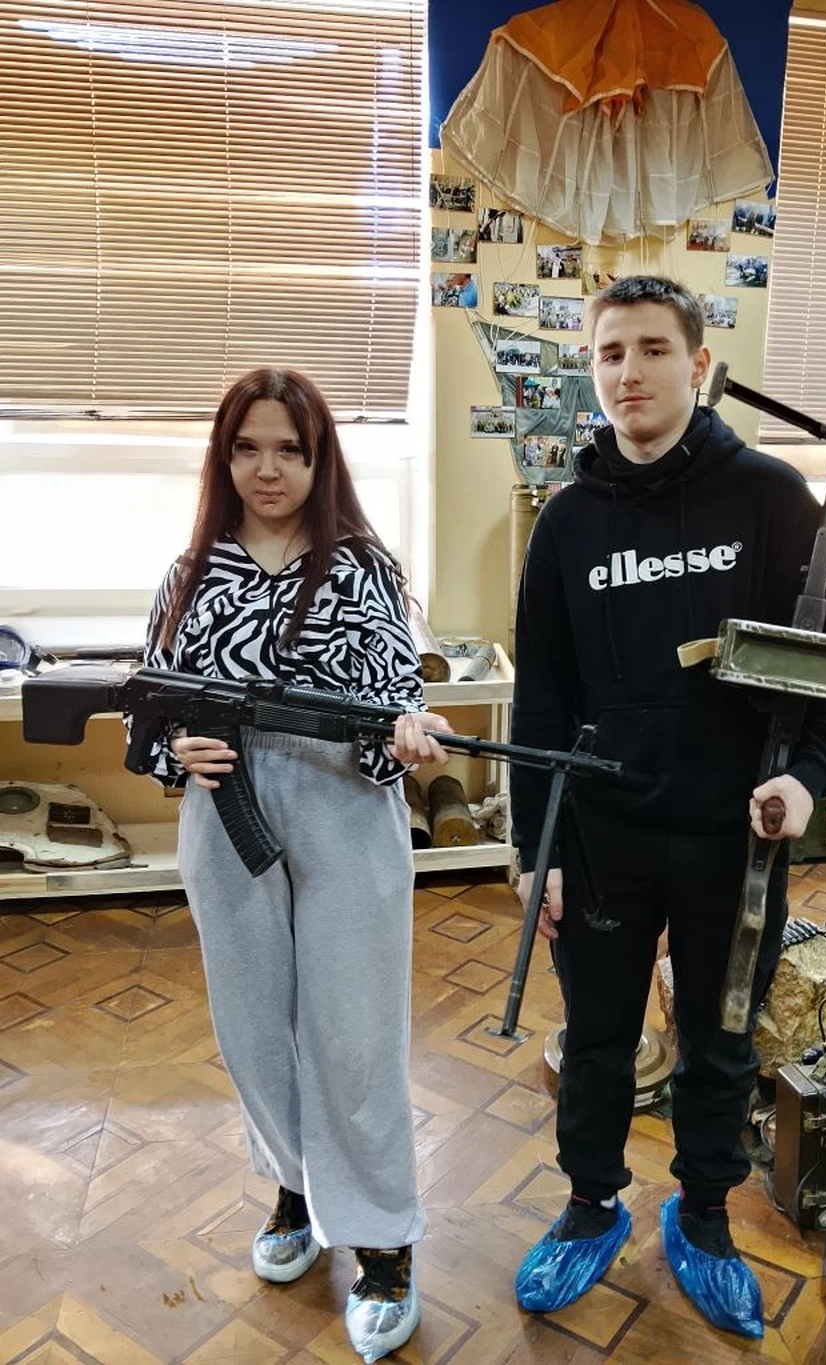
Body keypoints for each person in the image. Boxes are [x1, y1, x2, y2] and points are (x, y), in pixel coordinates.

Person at [509, 276, 826, 1338]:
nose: (629, 373)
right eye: (609, 352)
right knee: (598, 1036)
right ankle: (591, 1203)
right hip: (600, 836)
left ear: (698, 364)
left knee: (720, 1038)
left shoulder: (771, 498)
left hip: (731, 837)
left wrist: (806, 780)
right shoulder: (567, 522)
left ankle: (703, 1215)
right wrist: (534, 847)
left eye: (652, 349)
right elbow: (541, 698)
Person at [141, 367, 450, 1364]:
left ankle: (384, 1238)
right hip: (223, 816)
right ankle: (296, 1187)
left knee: (354, 1032)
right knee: (251, 1027)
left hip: (344, 807)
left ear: (321, 461)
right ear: (223, 456)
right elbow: (147, 714)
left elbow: (399, 701)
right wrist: (173, 749)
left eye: (290, 449)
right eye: (247, 447)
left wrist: (409, 734)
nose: (267, 469)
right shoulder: (189, 573)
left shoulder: (362, 567)